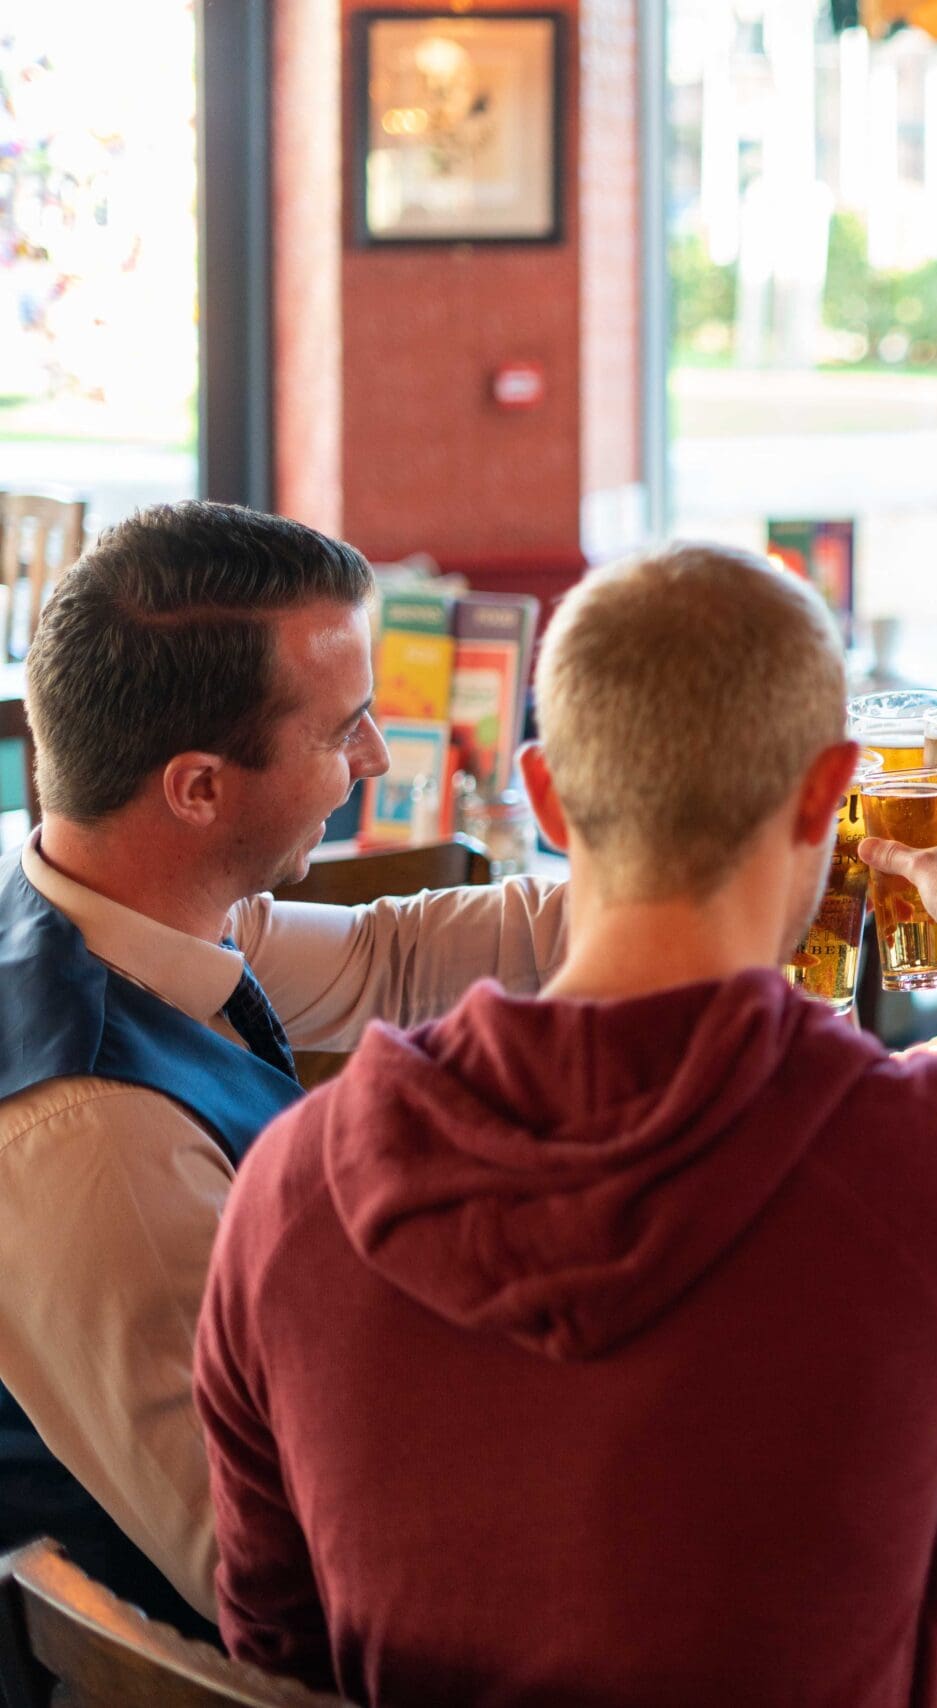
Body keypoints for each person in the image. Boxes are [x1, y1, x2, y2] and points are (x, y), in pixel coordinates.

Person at [195, 545, 937, 1706]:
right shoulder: (915, 1155)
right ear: (830, 795)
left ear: (548, 796)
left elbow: (272, 1645)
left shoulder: (291, 1185)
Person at [0, 503, 570, 1630]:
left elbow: (391, 954)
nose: (374, 756)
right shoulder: (90, 1139)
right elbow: (263, 1573)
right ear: (198, 788)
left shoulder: (116, 905)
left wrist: (756, 868)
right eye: (344, 727)